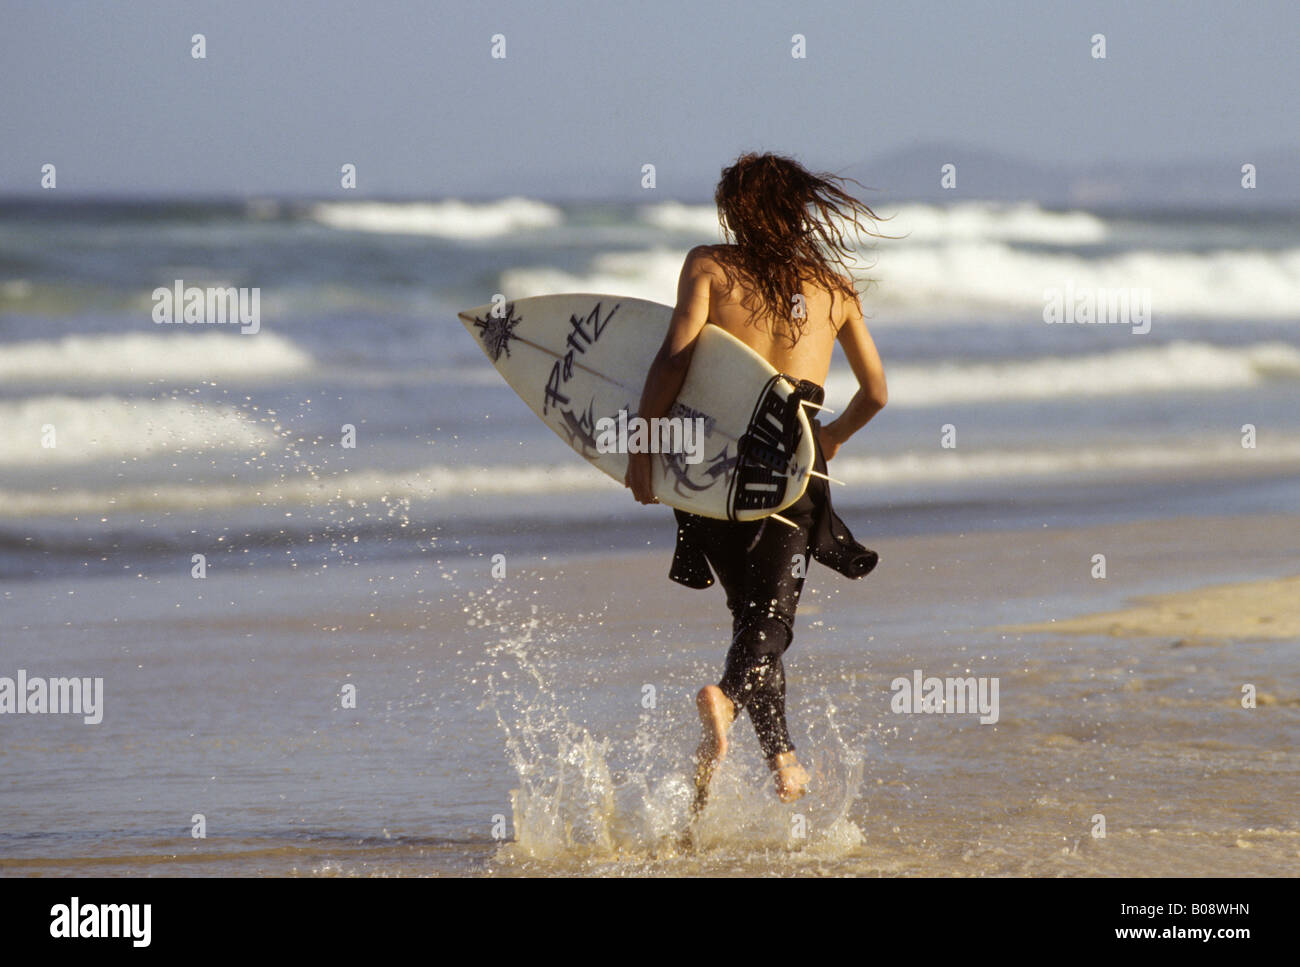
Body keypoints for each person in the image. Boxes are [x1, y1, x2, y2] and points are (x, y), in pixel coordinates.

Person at [625, 152, 890, 806]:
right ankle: (726, 698)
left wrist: (644, 444)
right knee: (771, 619)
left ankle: (782, 756)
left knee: (752, 615)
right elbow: (877, 392)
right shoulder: (834, 288)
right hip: (790, 470)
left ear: (737, 211)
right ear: (797, 209)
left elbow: (674, 361)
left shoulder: (708, 266)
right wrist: (825, 439)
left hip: (712, 464)